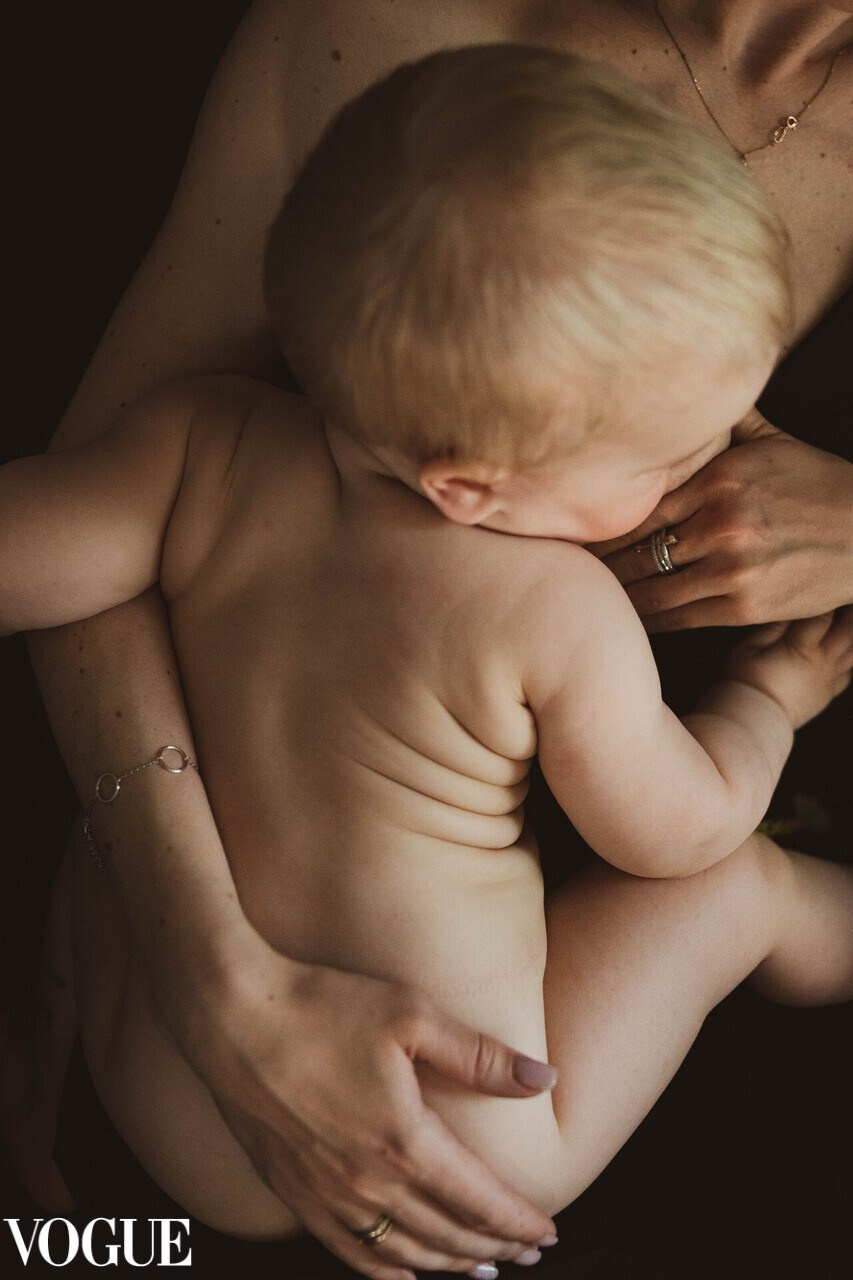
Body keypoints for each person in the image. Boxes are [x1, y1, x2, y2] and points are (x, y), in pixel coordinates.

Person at [6, 2, 851, 1278]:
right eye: (675, 454)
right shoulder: (556, 612)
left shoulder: (194, 448)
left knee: (100, 843)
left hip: (159, 1093)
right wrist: (770, 703)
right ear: (468, 486)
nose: (703, 474)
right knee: (737, 891)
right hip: (458, 1125)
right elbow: (676, 830)